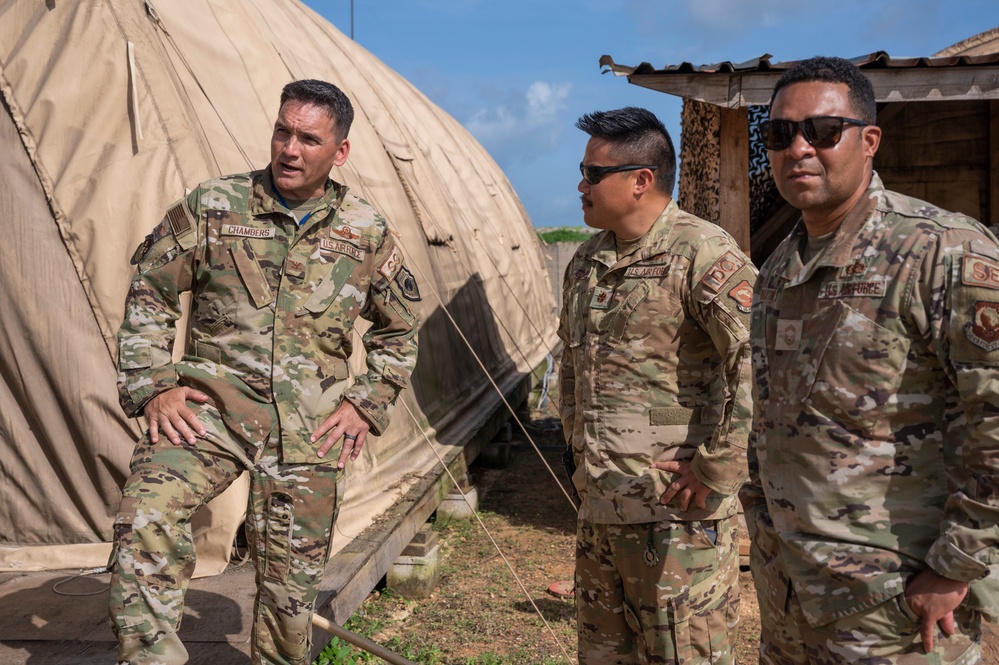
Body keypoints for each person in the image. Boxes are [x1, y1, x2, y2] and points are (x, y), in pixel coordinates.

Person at [109, 79, 421, 665]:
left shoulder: (365, 229)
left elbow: (399, 329)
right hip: (210, 415)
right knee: (146, 513)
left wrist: (366, 402)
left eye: (308, 138)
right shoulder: (215, 206)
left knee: (288, 591)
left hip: (311, 428)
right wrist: (153, 385)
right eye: (283, 131)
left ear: (340, 151)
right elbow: (150, 289)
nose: (290, 149)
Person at [743, 55, 999, 664]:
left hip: (898, 606)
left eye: (824, 132)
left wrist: (956, 564)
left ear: (870, 140)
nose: (799, 148)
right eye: (779, 134)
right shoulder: (780, 269)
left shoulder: (943, 252)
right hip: (793, 594)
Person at [559, 107, 755, 664]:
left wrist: (716, 466)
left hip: (677, 521)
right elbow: (573, 366)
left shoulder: (701, 252)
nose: (581, 184)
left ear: (640, 180)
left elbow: (760, 359)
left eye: (593, 173)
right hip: (602, 512)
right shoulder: (586, 262)